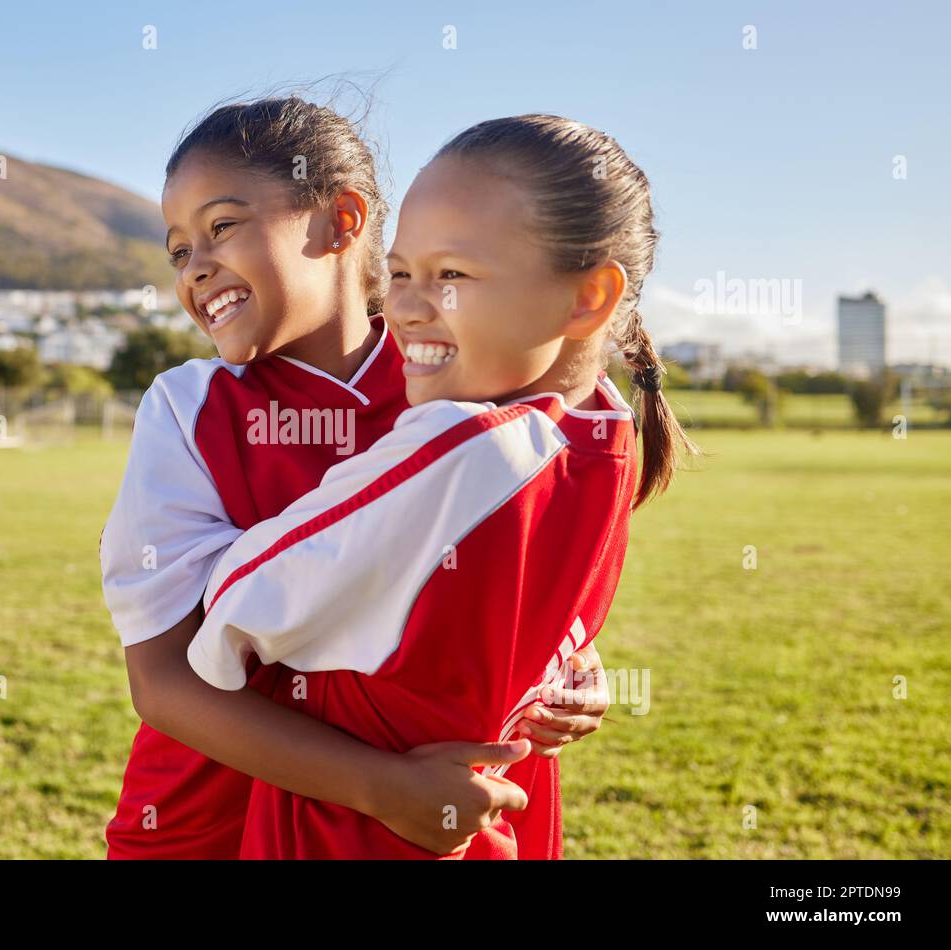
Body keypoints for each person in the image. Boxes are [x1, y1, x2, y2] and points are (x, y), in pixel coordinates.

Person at [100, 98, 608, 859]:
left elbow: (516, 578)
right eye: (177, 250)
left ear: (341, 221)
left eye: (222, 226)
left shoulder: (460, 381)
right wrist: (382, 786)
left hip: (439, 820)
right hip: (212, 822)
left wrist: (568, 664)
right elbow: (165, 683)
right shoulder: (189, 409)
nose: (196, 265)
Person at [186, 114, 697, 857]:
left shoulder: (465, 444)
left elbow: (234, 610)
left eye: (451, 275)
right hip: (497, 820)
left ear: (588, 297)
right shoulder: (609, 437)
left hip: (358, 831)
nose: (404, 306)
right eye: (399, 273)